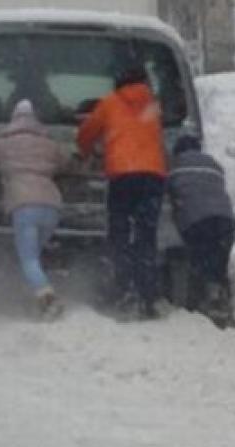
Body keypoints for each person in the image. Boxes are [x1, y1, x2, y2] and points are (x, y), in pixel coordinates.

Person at [76, 66, 167, 321]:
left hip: (122, 174)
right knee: (146, 236)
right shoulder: (153, 105)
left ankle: (122, 291)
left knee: (120, 234)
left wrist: (85, 151)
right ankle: (147, 297)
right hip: (152, 175)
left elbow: (87, 133)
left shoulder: (110, 103)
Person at [0, 99, 71, 320]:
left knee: (28, 259)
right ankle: (30, 297)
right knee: (35, 257)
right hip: (51, 205)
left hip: (23, 204)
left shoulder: (2, 143)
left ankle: (47, 298)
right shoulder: (49, 142)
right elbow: (66, 162)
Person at [167, 135, 235, 330]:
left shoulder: (173, 166)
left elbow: (168, 194)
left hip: (196, 220)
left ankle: (201, 302)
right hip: (227, 221)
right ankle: (221, 299)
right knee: (219, 258)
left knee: (199, 261)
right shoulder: (214, 164)